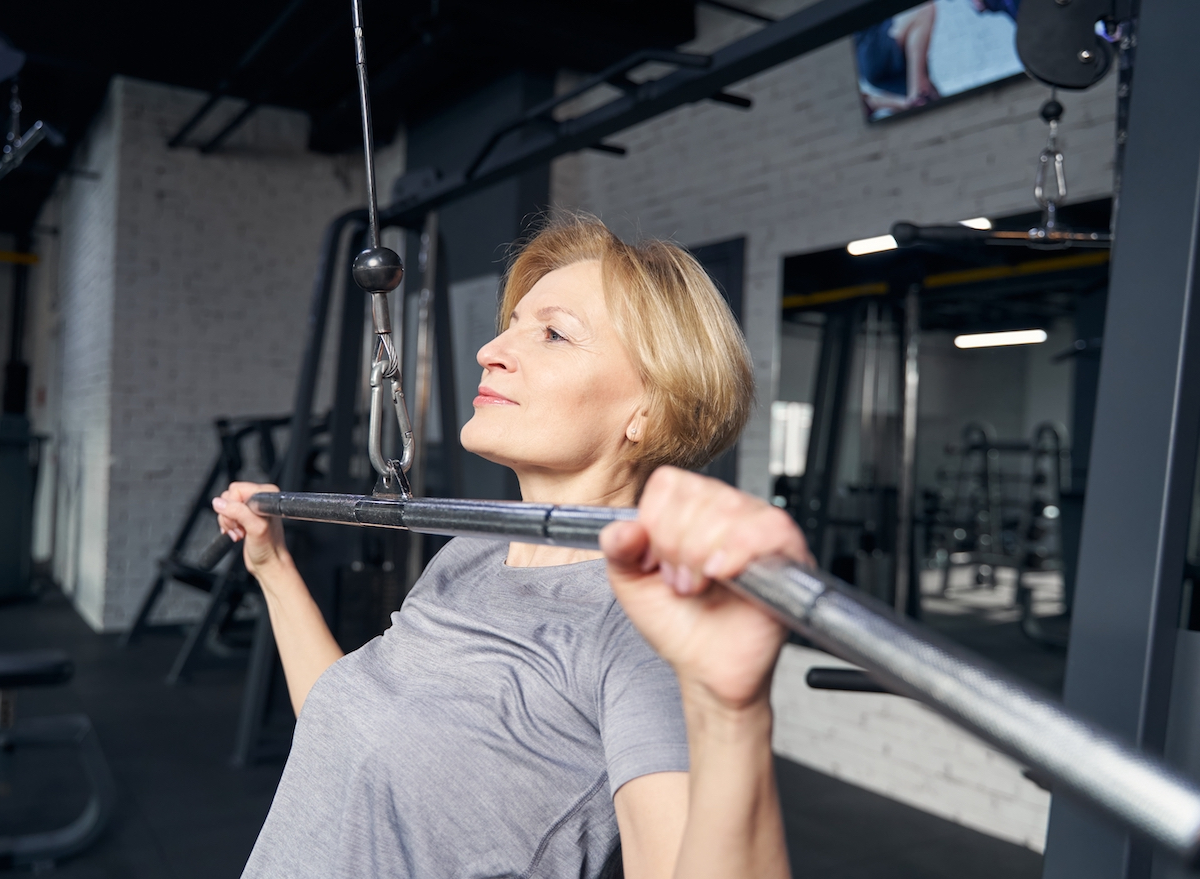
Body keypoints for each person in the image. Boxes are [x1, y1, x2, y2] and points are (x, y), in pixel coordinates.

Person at [214, 213, 813, 879]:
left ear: (650, 408)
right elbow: (349, 722)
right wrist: (272, 566)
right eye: (515, 323)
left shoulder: (641, 629)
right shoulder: (474, 548)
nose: (491, 349)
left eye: (553, 332)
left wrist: (732, 714)